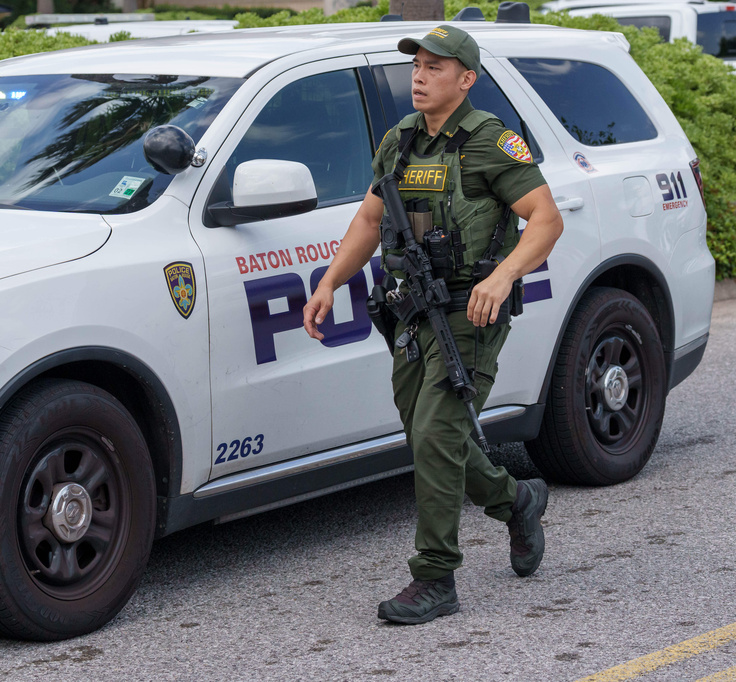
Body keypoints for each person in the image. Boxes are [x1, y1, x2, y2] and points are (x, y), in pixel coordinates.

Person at [303, 24, 564, 625]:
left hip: (472, 311)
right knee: (433, 435)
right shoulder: (399, 142)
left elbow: (544, 220)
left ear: (466, 79)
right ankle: (518, 500)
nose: (419, 77)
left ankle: (436, 576)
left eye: (435, 68)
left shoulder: (491, 142)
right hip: (412, 310)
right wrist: (329, 281)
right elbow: (370, 221)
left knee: (437, 436)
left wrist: (502, 278)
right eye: (416, 66)